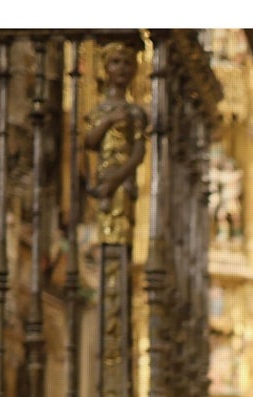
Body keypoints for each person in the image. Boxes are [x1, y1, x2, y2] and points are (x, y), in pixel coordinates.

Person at [84, 40, 148, 247]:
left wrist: (117, 178)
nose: (121, 68)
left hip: (123, 180)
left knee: (120, 237)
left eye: (127, 63)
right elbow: (90, 142)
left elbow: (139, 153)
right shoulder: (99, 111)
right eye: (115, 62)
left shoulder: (135, 113)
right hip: (103, 177)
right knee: (103, 233)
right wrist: (109, 121)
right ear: (105, 68)